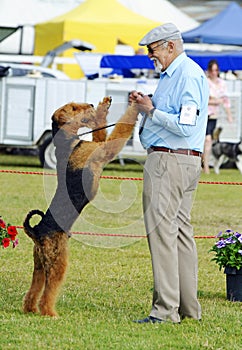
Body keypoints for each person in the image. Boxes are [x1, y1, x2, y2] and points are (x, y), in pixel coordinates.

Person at [129, 23, 209, 324]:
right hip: (184, 162)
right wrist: (145, 104)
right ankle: (188, 308)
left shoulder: (185, 75)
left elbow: (185, 124)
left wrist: (151, 110)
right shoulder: (177, 75)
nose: (152, 58)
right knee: (180, 234)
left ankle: (165, 311)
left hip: (168, 162)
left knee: (163, 234)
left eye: (154, 52)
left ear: (170, 47)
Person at [203, 59, 233, 174]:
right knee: (207, 139)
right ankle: (205, 166)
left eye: (216, 70)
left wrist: (229, 115)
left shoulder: (222, 83)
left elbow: (225, 101)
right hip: (204, 114)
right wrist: (215, 101)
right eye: (212, 70)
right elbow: (204, 100)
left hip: (214, 115)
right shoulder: (205, 82)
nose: (214, 72)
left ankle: (205, 164)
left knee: (209, 141)